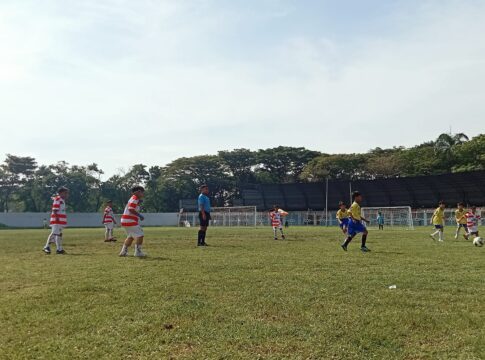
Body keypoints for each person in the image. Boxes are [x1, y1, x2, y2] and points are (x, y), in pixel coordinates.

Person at [119, 186, 146, 257]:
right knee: (140, 234)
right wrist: (140, 215)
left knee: (130, 236)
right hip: (130, 220)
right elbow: (131, 209)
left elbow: (130, 207)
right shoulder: (135, 198)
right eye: (142, 192)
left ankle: (123, 252)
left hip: (124, 220)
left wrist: (138, 203)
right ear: (138, 192)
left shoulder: (133, 198)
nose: (142, 194)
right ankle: (138, 252)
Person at [43, 187, 69, 255]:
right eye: (65, 193)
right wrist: (57, 218)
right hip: (57, 220)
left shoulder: (61, 200)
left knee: (59, 234)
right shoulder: (58, 199)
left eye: (67, 193)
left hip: (60, 220)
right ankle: (46, 247)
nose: (66, 194)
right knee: (54, 233)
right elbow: (54, 210)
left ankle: (59, 249)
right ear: (60, 193)